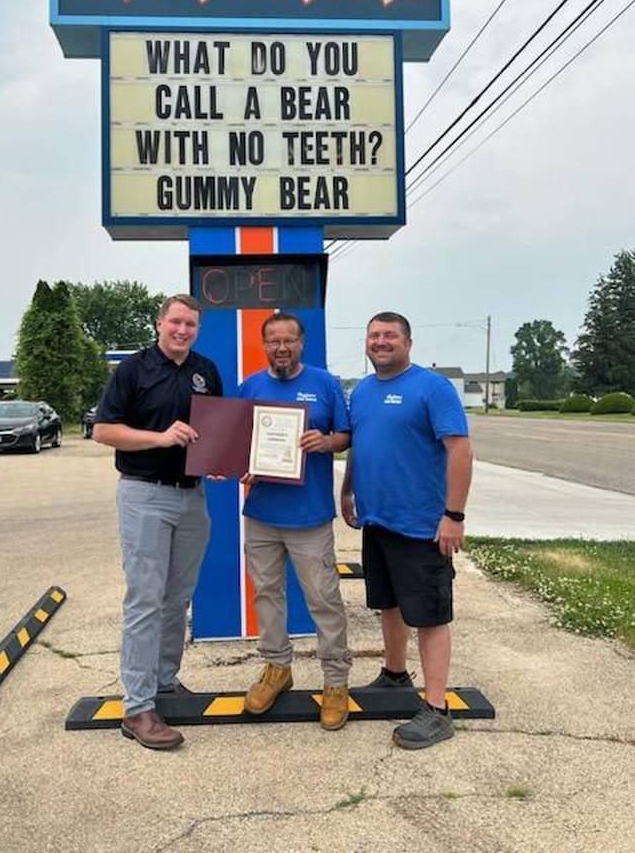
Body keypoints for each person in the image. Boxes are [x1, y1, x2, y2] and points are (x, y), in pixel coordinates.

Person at [94, 294, 222, 751]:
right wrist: (161, 438)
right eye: (176, 322)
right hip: (145, 495)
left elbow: (216, 431)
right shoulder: (132, 370)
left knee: (177, 598)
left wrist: (221, 458)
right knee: (145, 600)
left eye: (190, 324)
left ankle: (165, 682)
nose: (182, 330)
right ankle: (137, 707)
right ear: (160, 323)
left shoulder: (206, 370)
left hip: (193, 497)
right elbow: (104, 430)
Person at [341, 311, 472, 749]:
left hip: (422, 525)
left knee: (430, 615)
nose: (381, 342)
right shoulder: (361, 391)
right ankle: (395, 674)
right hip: (377, 519)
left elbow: (459, 450)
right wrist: (347, 490)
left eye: (390, 335)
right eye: (374, 335)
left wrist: (453, 515)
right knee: (389, 605)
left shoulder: (432, 388)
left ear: (408, 342)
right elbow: (360, 445)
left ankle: (437, 709)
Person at [238, 312, 352, 730]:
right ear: (263, 344)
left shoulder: (325, 384)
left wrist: (326, 442)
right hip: (263, 515)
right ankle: (277, 669)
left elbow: (345, 436)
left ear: (301, 343)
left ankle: (336, 682)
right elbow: (238, 443)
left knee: (324, 599)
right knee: (267, 596)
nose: (281, 348)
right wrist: (239, 463)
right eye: (273, 341)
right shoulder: (250, 386)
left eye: (289, 340)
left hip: (310, 517)